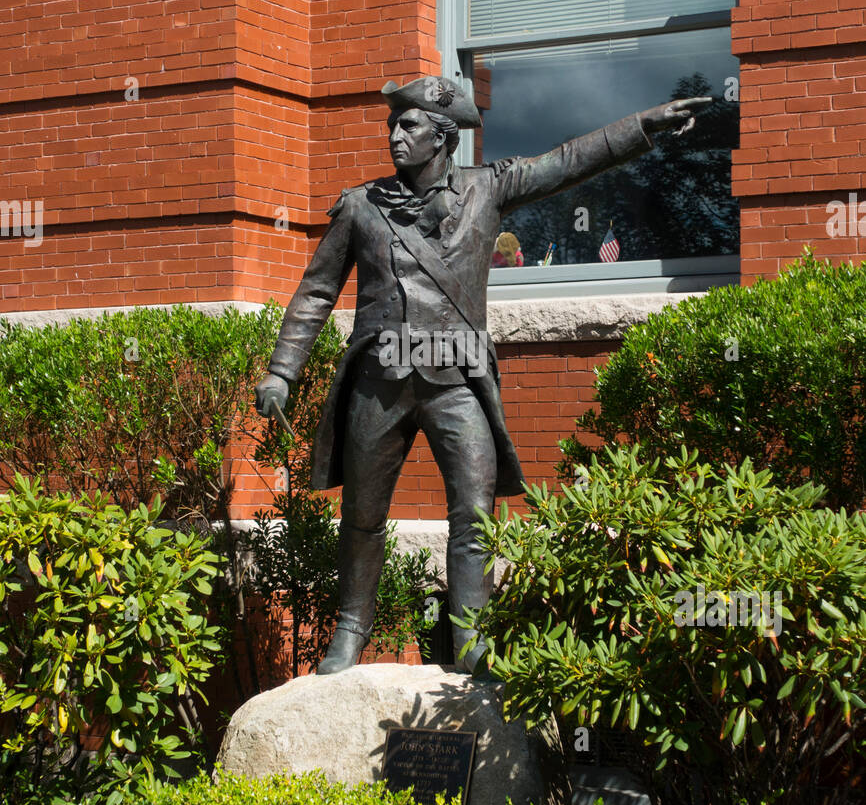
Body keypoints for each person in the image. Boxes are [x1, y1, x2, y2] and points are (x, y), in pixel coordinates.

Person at [255, 74, 710, 675]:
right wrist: (282, 372)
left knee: (474, 517)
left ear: (442, 138)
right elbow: (316, 293)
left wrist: (642, 127)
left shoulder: (488, 189)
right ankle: (350, 630)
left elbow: (567, 161)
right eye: (393, 124)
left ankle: (471, 642)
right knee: (362, 517)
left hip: (456, 385)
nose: (395, 135)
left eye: (409, 126)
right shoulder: (362, 206)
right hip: (379, 384)